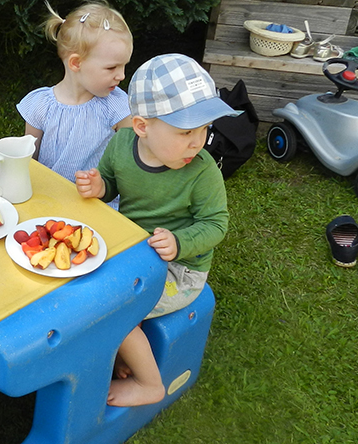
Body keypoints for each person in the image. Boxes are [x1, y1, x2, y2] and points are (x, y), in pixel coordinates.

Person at [75, 54, 235, 407]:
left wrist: (180, 243)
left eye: (205, 128)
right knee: (82, 288)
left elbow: (216, 224)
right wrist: (100, 186)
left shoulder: (202, 172)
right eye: (186, 132)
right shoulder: (121, 144)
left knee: (114, 309)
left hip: (181, 269)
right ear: (142, 127)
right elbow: (113, 184)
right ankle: (119, 353)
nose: (200, 142)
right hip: (133, 252)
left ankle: (150, 384)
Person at [17, 1, 133, 208]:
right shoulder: (41, 105)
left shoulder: (115, 106)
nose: (122, 75)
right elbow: (27, 160)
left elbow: (132, 159)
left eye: (124, 66)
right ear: (76, 63)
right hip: (48, 199)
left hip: (98, 204)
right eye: (112, 67)